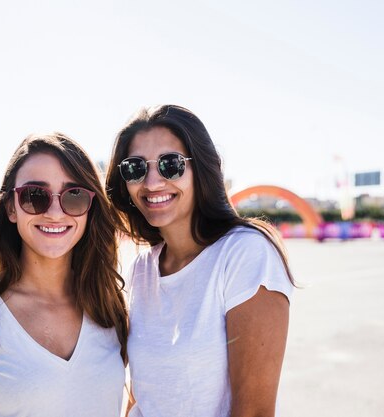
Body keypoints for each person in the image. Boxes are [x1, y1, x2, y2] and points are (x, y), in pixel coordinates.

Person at [0, 133, 128, 417]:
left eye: (74, 195)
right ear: (10, 208)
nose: (55, 213)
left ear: (90, 209)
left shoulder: (110, 309)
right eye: (34, 196)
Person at [105, 105, 295, 417]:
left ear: (202, 169)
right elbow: (141, 397)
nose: (152, 183)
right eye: (135, 168)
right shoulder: (141, 269)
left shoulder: (245, 254)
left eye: (170, 165)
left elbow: (255, 412)